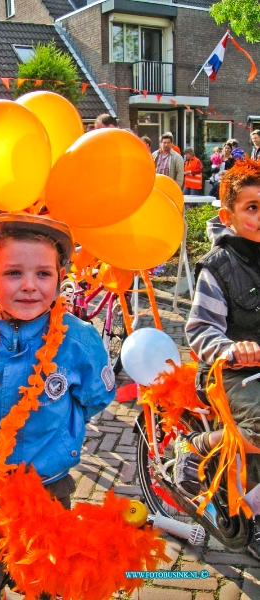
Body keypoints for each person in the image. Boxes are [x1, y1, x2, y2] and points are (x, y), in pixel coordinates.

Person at [0, 212, 116, 599]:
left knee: (48, 583)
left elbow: (96, 397)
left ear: (61, 274)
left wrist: (59, 433)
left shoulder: (78, 339)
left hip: (46, 488)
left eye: (44, 274)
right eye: (13, 273)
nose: (30, 287)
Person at [174, 158, 260, 559]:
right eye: (252, 207)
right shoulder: (219, 266)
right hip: (228, 372)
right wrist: (230, 348)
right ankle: (197, 446)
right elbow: (199, 329)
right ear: (228, 215)